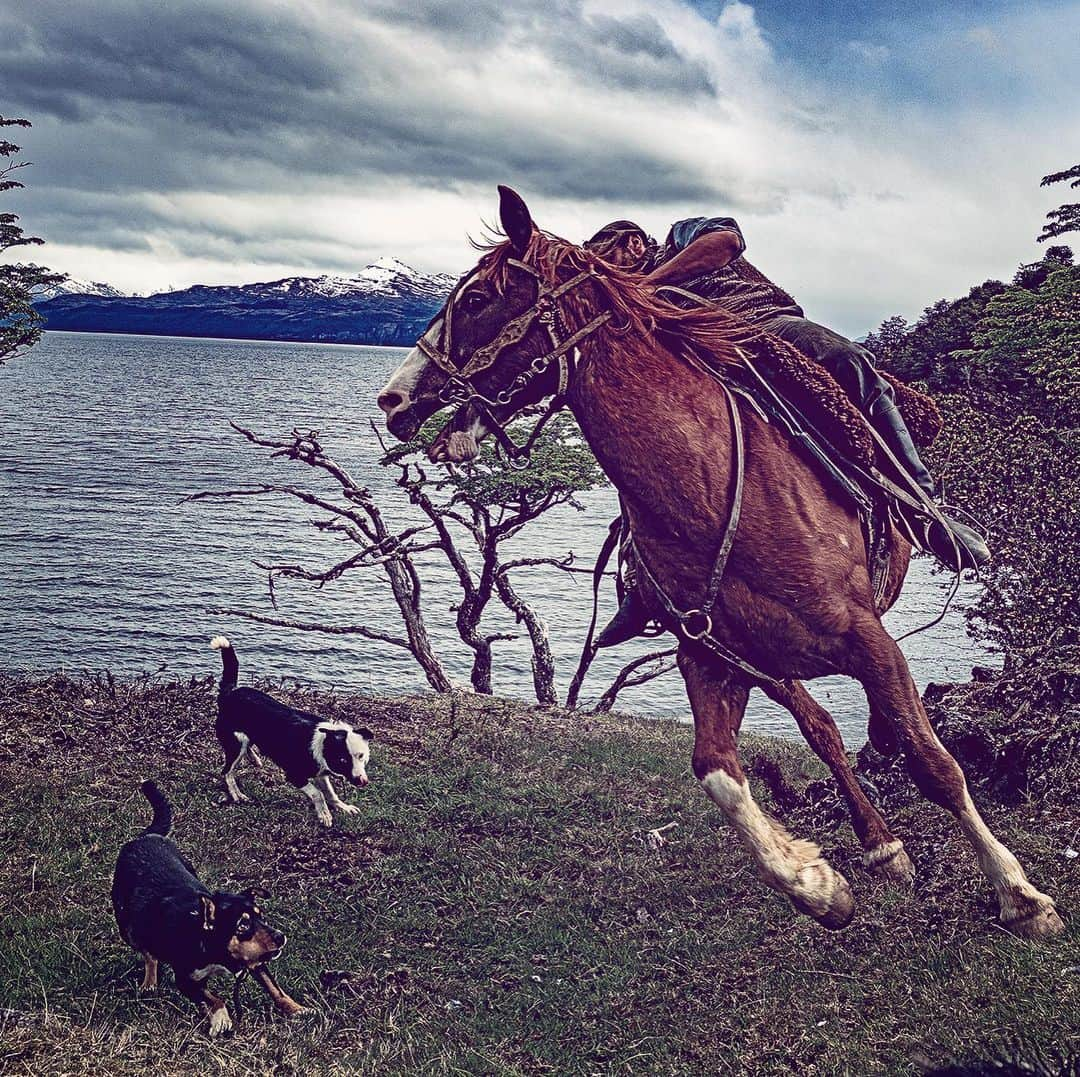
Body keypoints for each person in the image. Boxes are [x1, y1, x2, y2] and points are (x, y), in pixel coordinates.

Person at [583, 217, 990, 647]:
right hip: (707, 364)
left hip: (764, 327)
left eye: (609, 261)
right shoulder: (635, 304)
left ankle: (926, 511)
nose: (612, 276)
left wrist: (649, 284)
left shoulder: (680, 237)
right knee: (654, 461)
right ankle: (639, 585)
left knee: (849, 360)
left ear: (631, 243)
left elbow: (725, 242)